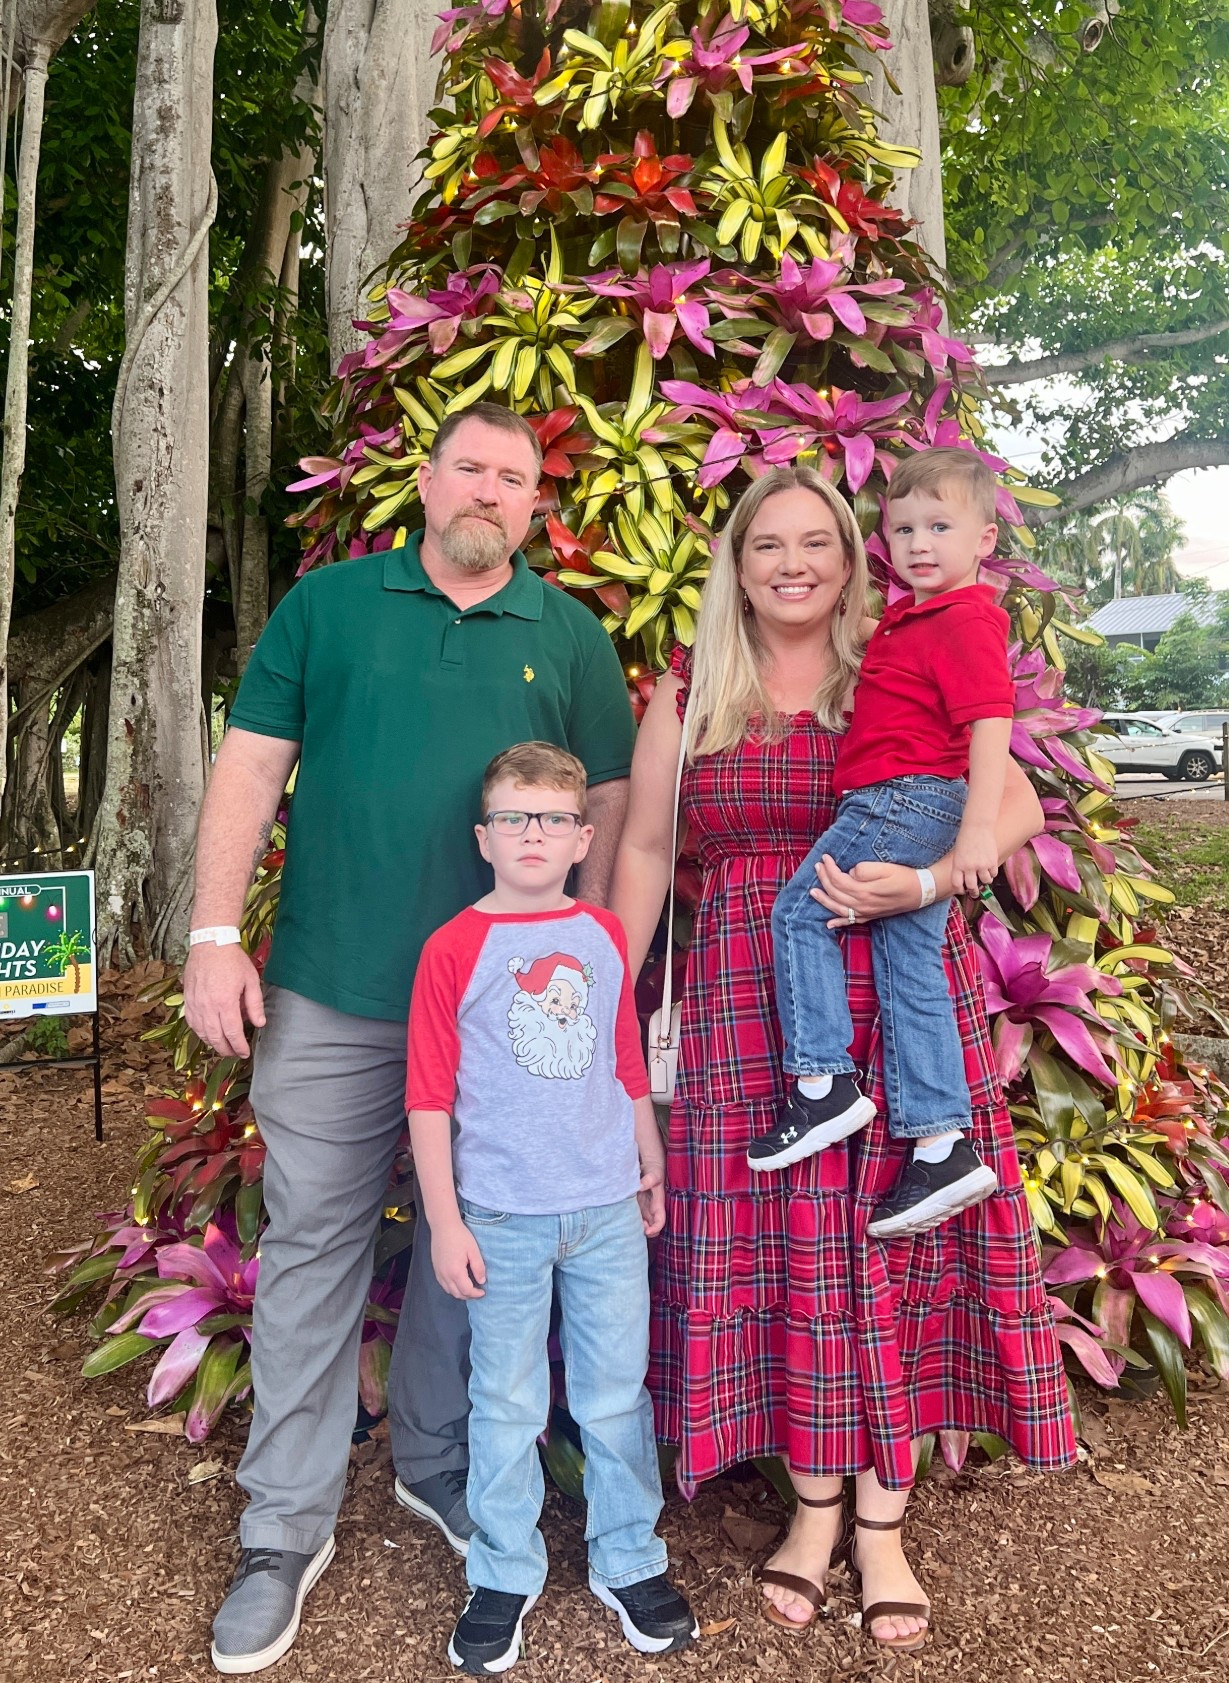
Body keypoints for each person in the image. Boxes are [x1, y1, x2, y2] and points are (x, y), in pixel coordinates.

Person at [184, 405, 637, 1676]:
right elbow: (250, 766)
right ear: (427, 482)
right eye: (471, 467)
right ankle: (282, 1530)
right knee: (315, 1244)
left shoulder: (568, 634)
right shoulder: (327, 609)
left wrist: (588, 987)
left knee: (474, 1248)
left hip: (508, 1024)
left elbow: (603, 808)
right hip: (334, 991)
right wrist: (215, 932)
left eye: (516, 478)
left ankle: (436, 1463)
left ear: (534, 506)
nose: (490, 491)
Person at [611, 465, 1076, 1653]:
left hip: (890, 1004)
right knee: (788, 1255)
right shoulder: (687, 690)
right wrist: (610, 1021)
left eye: (815, 541)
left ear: (848, 557)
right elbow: (650, 854)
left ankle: (882, 1521)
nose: (791, 563)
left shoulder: (898, 658)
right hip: (736, 1012)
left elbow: (1009, 802)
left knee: (892, 1249)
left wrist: (921, 881)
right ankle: (811, 1509)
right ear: (736, 561)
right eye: (767, 544)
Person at [407, 742, 697, 1674]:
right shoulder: (454, 946)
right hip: (500, 1214)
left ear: (581, 838)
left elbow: (620, 1055)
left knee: (616, 1393)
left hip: (606, 1205)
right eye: (512, 818)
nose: (532, 834)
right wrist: (446, 1221)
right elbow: (428, 1096)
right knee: (505, 1400)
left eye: (551, 820)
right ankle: (502, 1570)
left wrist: (646, 1159)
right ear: (483, 836)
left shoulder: (604, 935)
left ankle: (629, 1557)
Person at [752, 448, 1014, 1241]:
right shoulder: (911, 617)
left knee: (801, 914)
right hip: (915, 797)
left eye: (940, 526)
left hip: (903, 796)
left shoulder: (965, 616)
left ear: (985, 540)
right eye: (902, 529)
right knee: (912, 970)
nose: (919, 543)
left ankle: (822, 1081)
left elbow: (991, 720)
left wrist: (970, 838)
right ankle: (941, 1141)